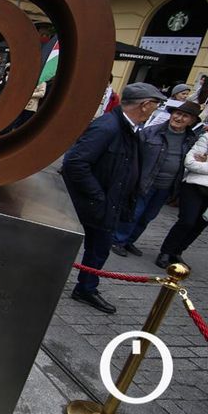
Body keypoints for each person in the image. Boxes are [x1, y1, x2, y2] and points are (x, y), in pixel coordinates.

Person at [62, 82, 164, 314]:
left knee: (99, 249)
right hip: (95, 204)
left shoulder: (130, 128)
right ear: (145, 105)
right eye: (155, 105)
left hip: (110, 203)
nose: (155, 109)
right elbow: (75, 163)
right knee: (83, 246)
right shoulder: (108, 127)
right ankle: (80, 287)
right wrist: (98, 196)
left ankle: (86, 288)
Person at [111, 101, 200, 259]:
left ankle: (130, 241)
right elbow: (133, 155)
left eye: (185, 116)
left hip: (166, 187)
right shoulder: (152, 132)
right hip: (145, 182)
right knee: (134, 213)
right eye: (177, 114)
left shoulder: (191, 140)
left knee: (148, 217)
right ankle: (118, 240)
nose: (178, 118)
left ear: (192, 121)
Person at [155, 132, 208, 268]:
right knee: (187, 221)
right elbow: (190, 162)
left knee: (200, 224)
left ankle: (177, 252)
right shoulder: (206, 138)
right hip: (195, 186)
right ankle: (165, 252)